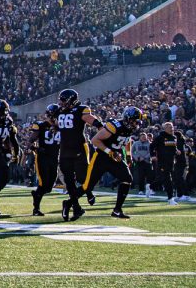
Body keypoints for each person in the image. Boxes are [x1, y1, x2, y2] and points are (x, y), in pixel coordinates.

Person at [78, 107, 143, 219]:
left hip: (115, 157)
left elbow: (127, 140)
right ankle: (69, 202)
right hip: (102, 157)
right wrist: (110, 152)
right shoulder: (114, 125)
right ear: (128, 119)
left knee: (127, 178)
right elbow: (94, 140)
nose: (135, 124)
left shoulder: (129, 128)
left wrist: (128, 155)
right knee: (88, 186)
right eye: (134, 121)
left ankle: (117, 210)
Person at [56, 89, 101, 222]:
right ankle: (75, 207)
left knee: (84, 178)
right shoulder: (60, 111)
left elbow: (91, 120)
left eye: (63, 100)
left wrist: (100, 126)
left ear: (71, 100)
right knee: (69, 181)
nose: (60, 102)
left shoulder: (81, 109)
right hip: (64, 149)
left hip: (79, 148)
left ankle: (87, 193)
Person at [30, 104, 61, 216]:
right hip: (42, 158)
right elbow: (30, 141)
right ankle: (36, 209)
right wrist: (36, 148)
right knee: (43, 183)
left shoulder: (61, 127)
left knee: (49, 186)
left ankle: (36, 194)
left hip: (54, 158)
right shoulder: (41, 125)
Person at [151, 122, 181, 205]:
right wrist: (153, 155)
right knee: (168, 180)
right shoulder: (160, 137)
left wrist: (176, 151)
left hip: (171, 162)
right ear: (165, 129)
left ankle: (150, 187)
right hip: (162, 162)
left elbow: (174, 148)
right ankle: (170, 198)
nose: (171, 128)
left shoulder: (174, 137)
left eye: (171, 127)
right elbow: (152, 146)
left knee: (162, 179)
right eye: (169, 127)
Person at [130, 132, 153, 197]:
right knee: (141, 176)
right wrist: (136, 157)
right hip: (139, 162)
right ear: (139, 137)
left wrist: (145, 157)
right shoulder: (136, 143)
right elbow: (132, 151)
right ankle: (141, 190)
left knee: (149, 176)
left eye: (145, 137)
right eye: (142, 137)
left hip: (148, 162)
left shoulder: (149, 143)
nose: (144, 138)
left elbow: (151, 152)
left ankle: (150, 189)